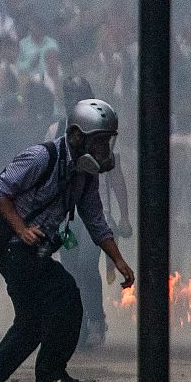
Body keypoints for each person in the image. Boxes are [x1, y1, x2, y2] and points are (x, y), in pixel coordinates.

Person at [0, 98, 136, 382]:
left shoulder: (85, 174)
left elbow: (95, 220)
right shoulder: (41, 157)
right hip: (12, 247)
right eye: (97, 141)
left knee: (30, 325)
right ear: (76, 135)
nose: (102, 148)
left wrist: (120, 260)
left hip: (31, 252)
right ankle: (49, 374)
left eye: (106, 142)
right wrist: (21, 228)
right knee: (64, 295)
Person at [49, 76, 133, 350]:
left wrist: (124, 216)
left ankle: (96, 320)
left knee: (86, 265)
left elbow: (116, 176)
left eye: (78, 94)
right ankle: (80, 325)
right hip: (66, 216)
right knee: (71, 269)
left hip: (97, 213)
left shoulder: (103, 128)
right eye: (69, 94)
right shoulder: (55, 130)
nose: (72, 99)